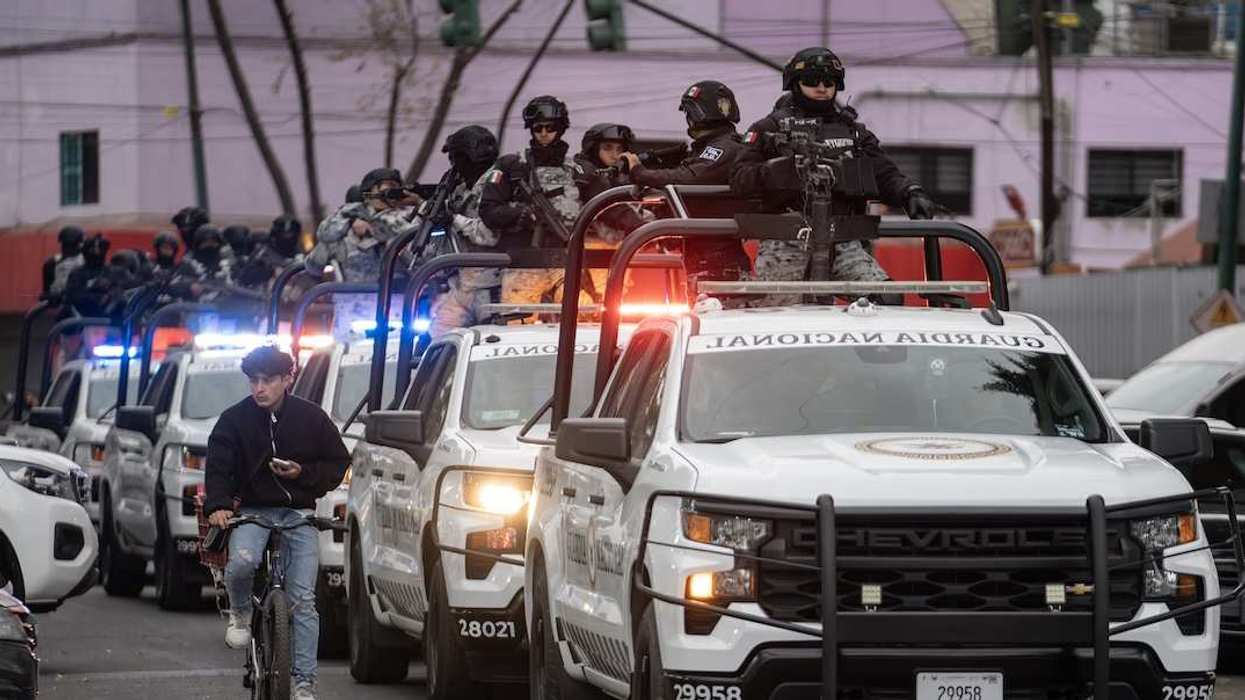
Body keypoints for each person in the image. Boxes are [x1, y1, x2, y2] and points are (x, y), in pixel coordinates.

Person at [731, 47, 938, 304]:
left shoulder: (853, 132)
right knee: (775, 315)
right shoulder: (769, 129)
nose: (821, 87)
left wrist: (909, 192)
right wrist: (778, 171)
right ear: (795, 84)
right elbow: (740, 178)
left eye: (829, 82)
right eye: (811, 80)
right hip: (786, 239)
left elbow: (883, 172)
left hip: (843, 240)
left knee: (888, 299)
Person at [204, 346, 349, 700]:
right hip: (254, 511)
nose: (259, 388)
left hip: (299, 514)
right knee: (242, 563)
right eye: (254, 380)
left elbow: (338, 462)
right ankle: (239, 614)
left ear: (288, 379)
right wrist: (219, 505)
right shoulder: (233, 420)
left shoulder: (312, 418)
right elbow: (219, 466)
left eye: (268, 380)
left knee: (303, 600)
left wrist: (304, 473)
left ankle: (304, 683)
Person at [620, 81, 753, 288]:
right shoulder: (714, 147)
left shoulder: (723, 148)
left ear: (697, 114)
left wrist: (639, 172)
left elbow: (689, 177)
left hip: (718, 257)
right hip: (705, 251)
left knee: (718, 313)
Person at [480, 95, 585, 306]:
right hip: (524, 263)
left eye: (550, 128)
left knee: (583, 321)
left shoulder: (578, 170)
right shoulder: (512, 165)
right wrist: (523, 214)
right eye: (538, 128)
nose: (544, 134)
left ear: (561, 129)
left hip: (566, 263)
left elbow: (602, 211)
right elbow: (489, 209)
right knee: (517, 327)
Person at [308, 168, 420, 338]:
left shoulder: (410, 218)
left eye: (396, 186)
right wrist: (350, 219)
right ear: (370, 190)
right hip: (351, 309)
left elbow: (420, 256)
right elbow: (316, 260)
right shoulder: (345, 221)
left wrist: (376, 229)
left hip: (397, 308)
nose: (392, 191)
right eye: (387, 186)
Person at [428, 125, 503, 336]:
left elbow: (490, 235)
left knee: (491, 344)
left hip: (493, 286)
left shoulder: (497, 185)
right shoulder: (459, 190)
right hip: (463, 285)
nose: (453, 165)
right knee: (436, 343)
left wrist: (453, 218)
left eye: (456, 158)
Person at [42, 226, 85, 303]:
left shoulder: (85, 261)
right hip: (58, 303)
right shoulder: (52, 263)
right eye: (66, 244)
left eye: (71, 244)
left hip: (80, 302)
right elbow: (46, 289)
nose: (68, 248)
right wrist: (47, 296)